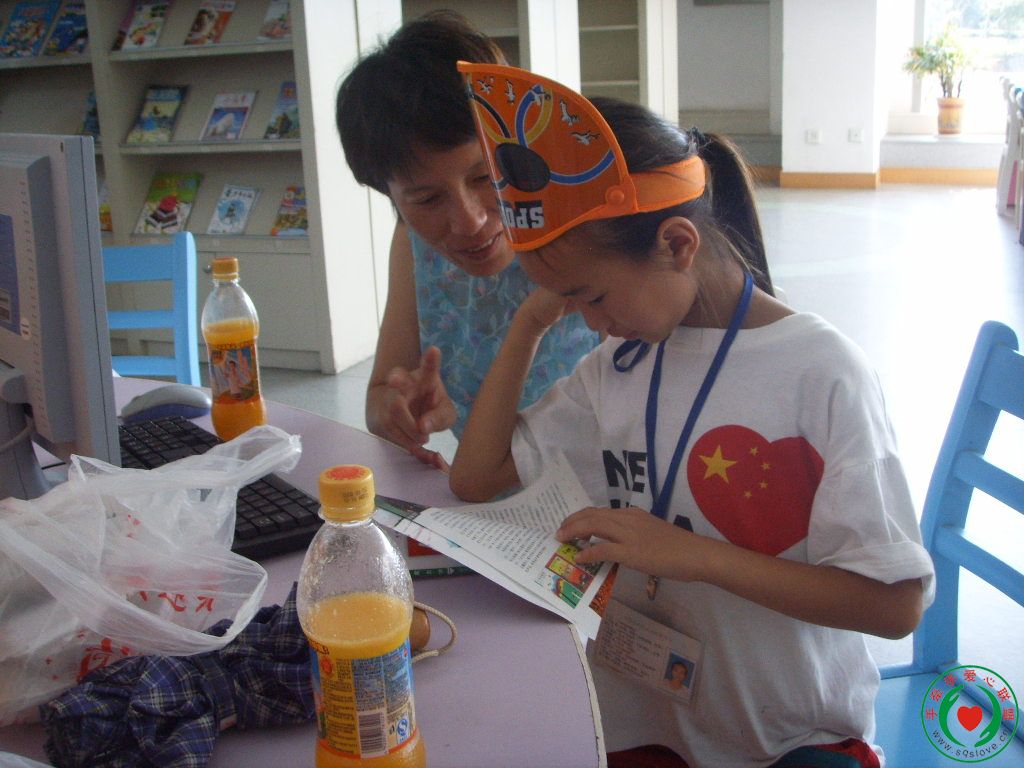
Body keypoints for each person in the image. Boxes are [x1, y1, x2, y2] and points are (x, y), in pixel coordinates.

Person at [449, 62, 935, 768]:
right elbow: (476, 477)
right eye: (567, 302)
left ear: (678, 244)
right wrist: (529, 322)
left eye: (592, 297)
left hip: (786, 740)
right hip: (645, 726)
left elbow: (894, 606)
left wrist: (697, 558)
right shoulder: (618, 364)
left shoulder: (821, 372)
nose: (587, 324)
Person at [335, 11, 599, 468]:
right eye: (427, 199)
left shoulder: (586, 228)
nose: (470, 221)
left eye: (485, 177)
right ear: (391, 196)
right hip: (485, 496)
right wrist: (398, 411)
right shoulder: (413, 244)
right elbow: (380, 395)